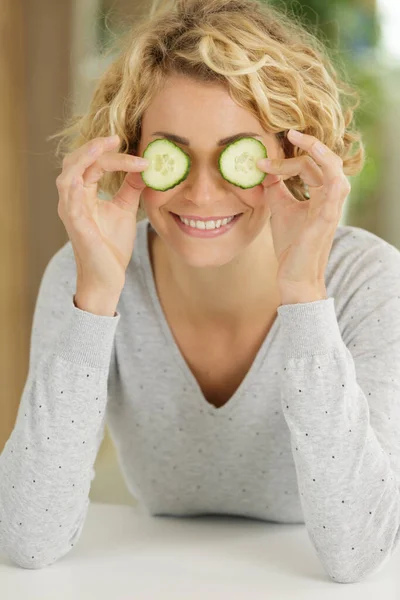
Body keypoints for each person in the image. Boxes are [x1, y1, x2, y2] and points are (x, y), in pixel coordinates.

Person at [1, 0, 400, 584]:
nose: (203, 194)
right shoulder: (86, 273)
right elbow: (27, 539)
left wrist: (303, 293)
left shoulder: (370, 281)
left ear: (292, 156)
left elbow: (357, 551)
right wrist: (95, 297)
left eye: (239, 156)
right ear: (131, 154)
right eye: (173, 156)